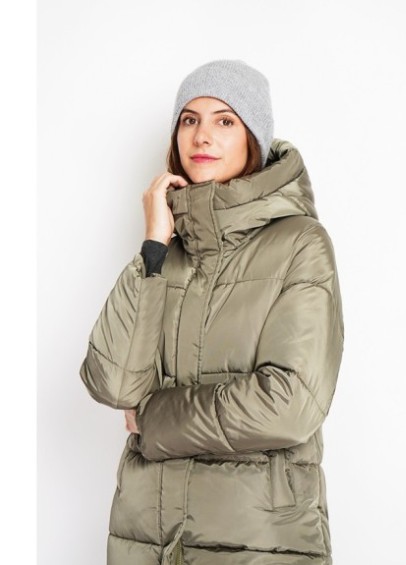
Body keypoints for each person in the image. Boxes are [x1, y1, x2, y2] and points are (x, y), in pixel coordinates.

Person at [80, 59, 344, 565]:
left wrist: (155, 418)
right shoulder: (167, 251)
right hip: (149, 540)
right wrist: (153, 247)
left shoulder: (300, 244)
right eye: (189, 119)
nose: (202, 135)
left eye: (225, 120)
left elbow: (290, 405)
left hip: (257, 544)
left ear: (253, 138)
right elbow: (113, 385)